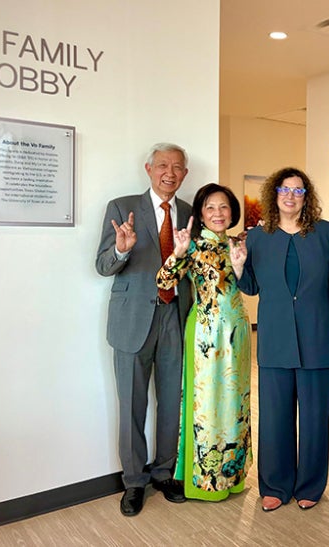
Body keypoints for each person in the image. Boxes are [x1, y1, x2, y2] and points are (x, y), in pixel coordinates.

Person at [230, 167, 329, 513]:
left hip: (317, 339)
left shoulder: (326, 235)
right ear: (273, 195)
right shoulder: (258, 238)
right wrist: (238, 267)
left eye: (298, 190)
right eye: (284, 190)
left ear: (307, 197)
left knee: (315, 419)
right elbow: (251, 288)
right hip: (275, 339)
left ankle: (310, 485)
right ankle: (275, 484)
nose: (290, 196)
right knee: (274, 417)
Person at [95, 143, 191, 516]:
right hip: (133, 320)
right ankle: (134, 481)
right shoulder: (122, 208)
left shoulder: (188, 212)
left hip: (175, 317)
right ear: (149, 169)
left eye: (177, 167)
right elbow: (102, 265)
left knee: (171, 403)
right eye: (163, 165)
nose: (170, 172)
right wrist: (121, 250)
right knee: (133, 404)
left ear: (185, 174)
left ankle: (164, 472)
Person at [156, 183, 252, 501]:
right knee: (209, 404)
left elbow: (253, 286)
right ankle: (206, 481)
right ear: (200, 214)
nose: (218, 213)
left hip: (238, 332)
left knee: (235, 403)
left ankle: (233, 476)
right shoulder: (194, 246)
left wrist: (242, 265)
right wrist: (178, 253)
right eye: (210, 207)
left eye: (224, 207)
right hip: (207, 334)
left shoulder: (240, 245)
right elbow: (164, 283)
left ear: (232, 211)